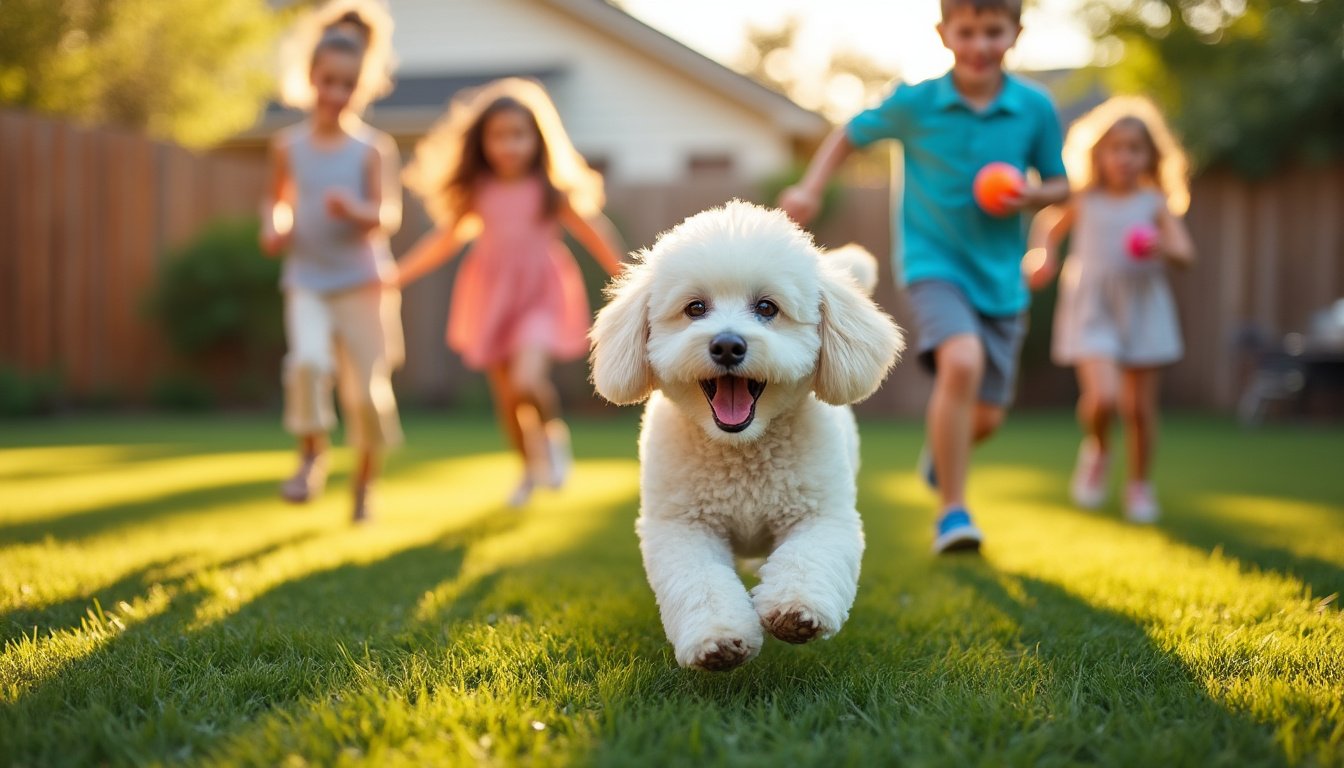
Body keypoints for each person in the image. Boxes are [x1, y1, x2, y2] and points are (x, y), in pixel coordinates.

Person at [779, 0, 1070, 554]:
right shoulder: (917, 103)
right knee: (961, 360)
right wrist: (811, 188)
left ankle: (942, 455)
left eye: (993, 31)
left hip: (1001, 278)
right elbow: (849, 135)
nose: (980, 44)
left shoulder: (1033, 107)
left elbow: (1063, 185)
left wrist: (1033, 195)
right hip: (933, 264)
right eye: (967, 31)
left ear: (1016, 32)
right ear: (944, 34)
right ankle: (953, 514)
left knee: (985, 416)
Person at [398, 78, 625, 508]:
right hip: (490, 296)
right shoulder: (478, 192)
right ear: (482, 142)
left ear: (537, 140)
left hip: (540, 294)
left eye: (518, 135)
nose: (509, 145)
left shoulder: (549, 190)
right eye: (498, 136)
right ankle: (527, 469)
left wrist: (627, 277)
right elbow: (444, 241)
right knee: (506, 398)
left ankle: (553, 437)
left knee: (526, 381)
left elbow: (595, 233)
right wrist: (398, 274)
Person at [259, 0, 404, 523]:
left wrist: (356, 209)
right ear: (310, 79)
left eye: (348, 84)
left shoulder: (371, 149)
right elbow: (276, 201)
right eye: (328, 81)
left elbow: (387, 216)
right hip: (307, 279)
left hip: (363, 282)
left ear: (361, 87)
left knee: (365, 394)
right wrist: (273, 226)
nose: (336, 94)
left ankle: (365, 485)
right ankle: (311, 455)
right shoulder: (287, 146)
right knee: (307, 363)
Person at [1027, 96, 1195, 523]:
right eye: (1114, 149)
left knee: (1139, 409)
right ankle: (1099, 450)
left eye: (1134, 149)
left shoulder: (1153, 203)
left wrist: (1165, 247)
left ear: (1150, 157)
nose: (1124, 158)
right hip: (1092, 306)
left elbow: (1185, 253)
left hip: (1143, 307)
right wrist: (1044, 257)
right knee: (1102, 398)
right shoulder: (1083, 197)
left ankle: (1139, 485)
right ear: (1098, 154)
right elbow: (1048, 225)